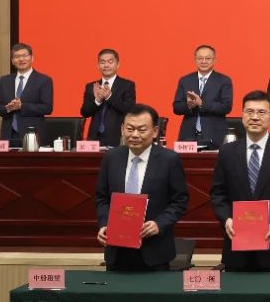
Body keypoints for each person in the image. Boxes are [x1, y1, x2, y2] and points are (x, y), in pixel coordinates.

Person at [210, 91, 270, 272]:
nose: (254, 117)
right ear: (242, 115)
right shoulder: (227, 152)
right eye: (249, 111)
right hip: (236, 248)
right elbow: (217, 193)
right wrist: (226, 219)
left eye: (261, 112)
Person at [94, 104, 188, 271]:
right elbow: (102, 198)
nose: (135, 135)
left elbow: (180, 200)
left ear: (155, 131)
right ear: (122, 129)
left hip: (154, 250)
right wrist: (104, 223)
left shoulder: (169, 159)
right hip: (117, 250)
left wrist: (159, 224)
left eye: (142, 130)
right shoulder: (111, 157)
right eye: (130, 129)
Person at [170, 44, 233, 148]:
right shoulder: (185, 80)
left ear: (214, 60)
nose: (203, 61)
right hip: (188, 135)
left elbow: (226, 107)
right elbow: (176, 107)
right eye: (200, 58)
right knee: (184, 159)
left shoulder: (223, 80)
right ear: (195, 60)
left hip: (214, 135)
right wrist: (189, 105)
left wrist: (201, 104)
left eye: (207, 58)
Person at [0, 43, 54, 143]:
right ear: (12, 61)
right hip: (8, 134)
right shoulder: (5, 80)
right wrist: (8, 108)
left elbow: (47, 108)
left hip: (32, 135)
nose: (21, 59)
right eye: (17, 56)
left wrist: (21, 106)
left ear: (32, 58)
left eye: (24, 55)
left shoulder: (44, 80)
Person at [79, 48, 137, 148]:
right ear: (98, 66)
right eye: (102, 62)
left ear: (117, 64)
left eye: (110, 62)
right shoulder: (92, 86)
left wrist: (109, 97)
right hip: (94, 138)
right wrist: (97, 101)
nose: (106, 65)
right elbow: (85, 112)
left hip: (117, 137)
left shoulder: (127, 85)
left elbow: (130, 110)